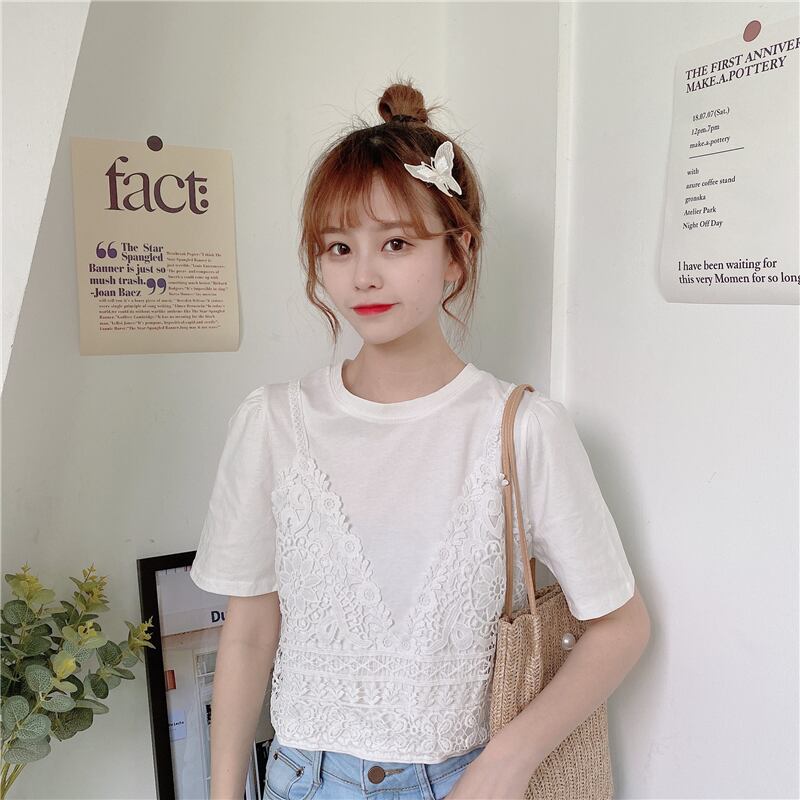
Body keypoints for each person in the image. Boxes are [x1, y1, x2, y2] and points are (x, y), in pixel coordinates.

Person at [190, 77, 651, 800]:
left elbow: (621, 627)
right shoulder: (273, 422)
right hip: (300, 781)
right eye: (338, 247)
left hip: (463, 781)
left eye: (396, 243)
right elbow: (249, 629)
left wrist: (507, 762)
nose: (362, 275)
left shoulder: (523, 429)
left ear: (456, 254)